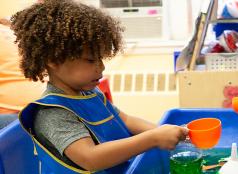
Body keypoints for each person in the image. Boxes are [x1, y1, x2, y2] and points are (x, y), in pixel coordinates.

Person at [11, 0, 188, 173]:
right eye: (90, 60)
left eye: (101, 59)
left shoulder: (89, 93)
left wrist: (169, 132)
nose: (101, 67)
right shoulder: (52, 113)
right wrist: (154, 138)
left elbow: (125, 120)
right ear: (54, 60)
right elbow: (90, 158)